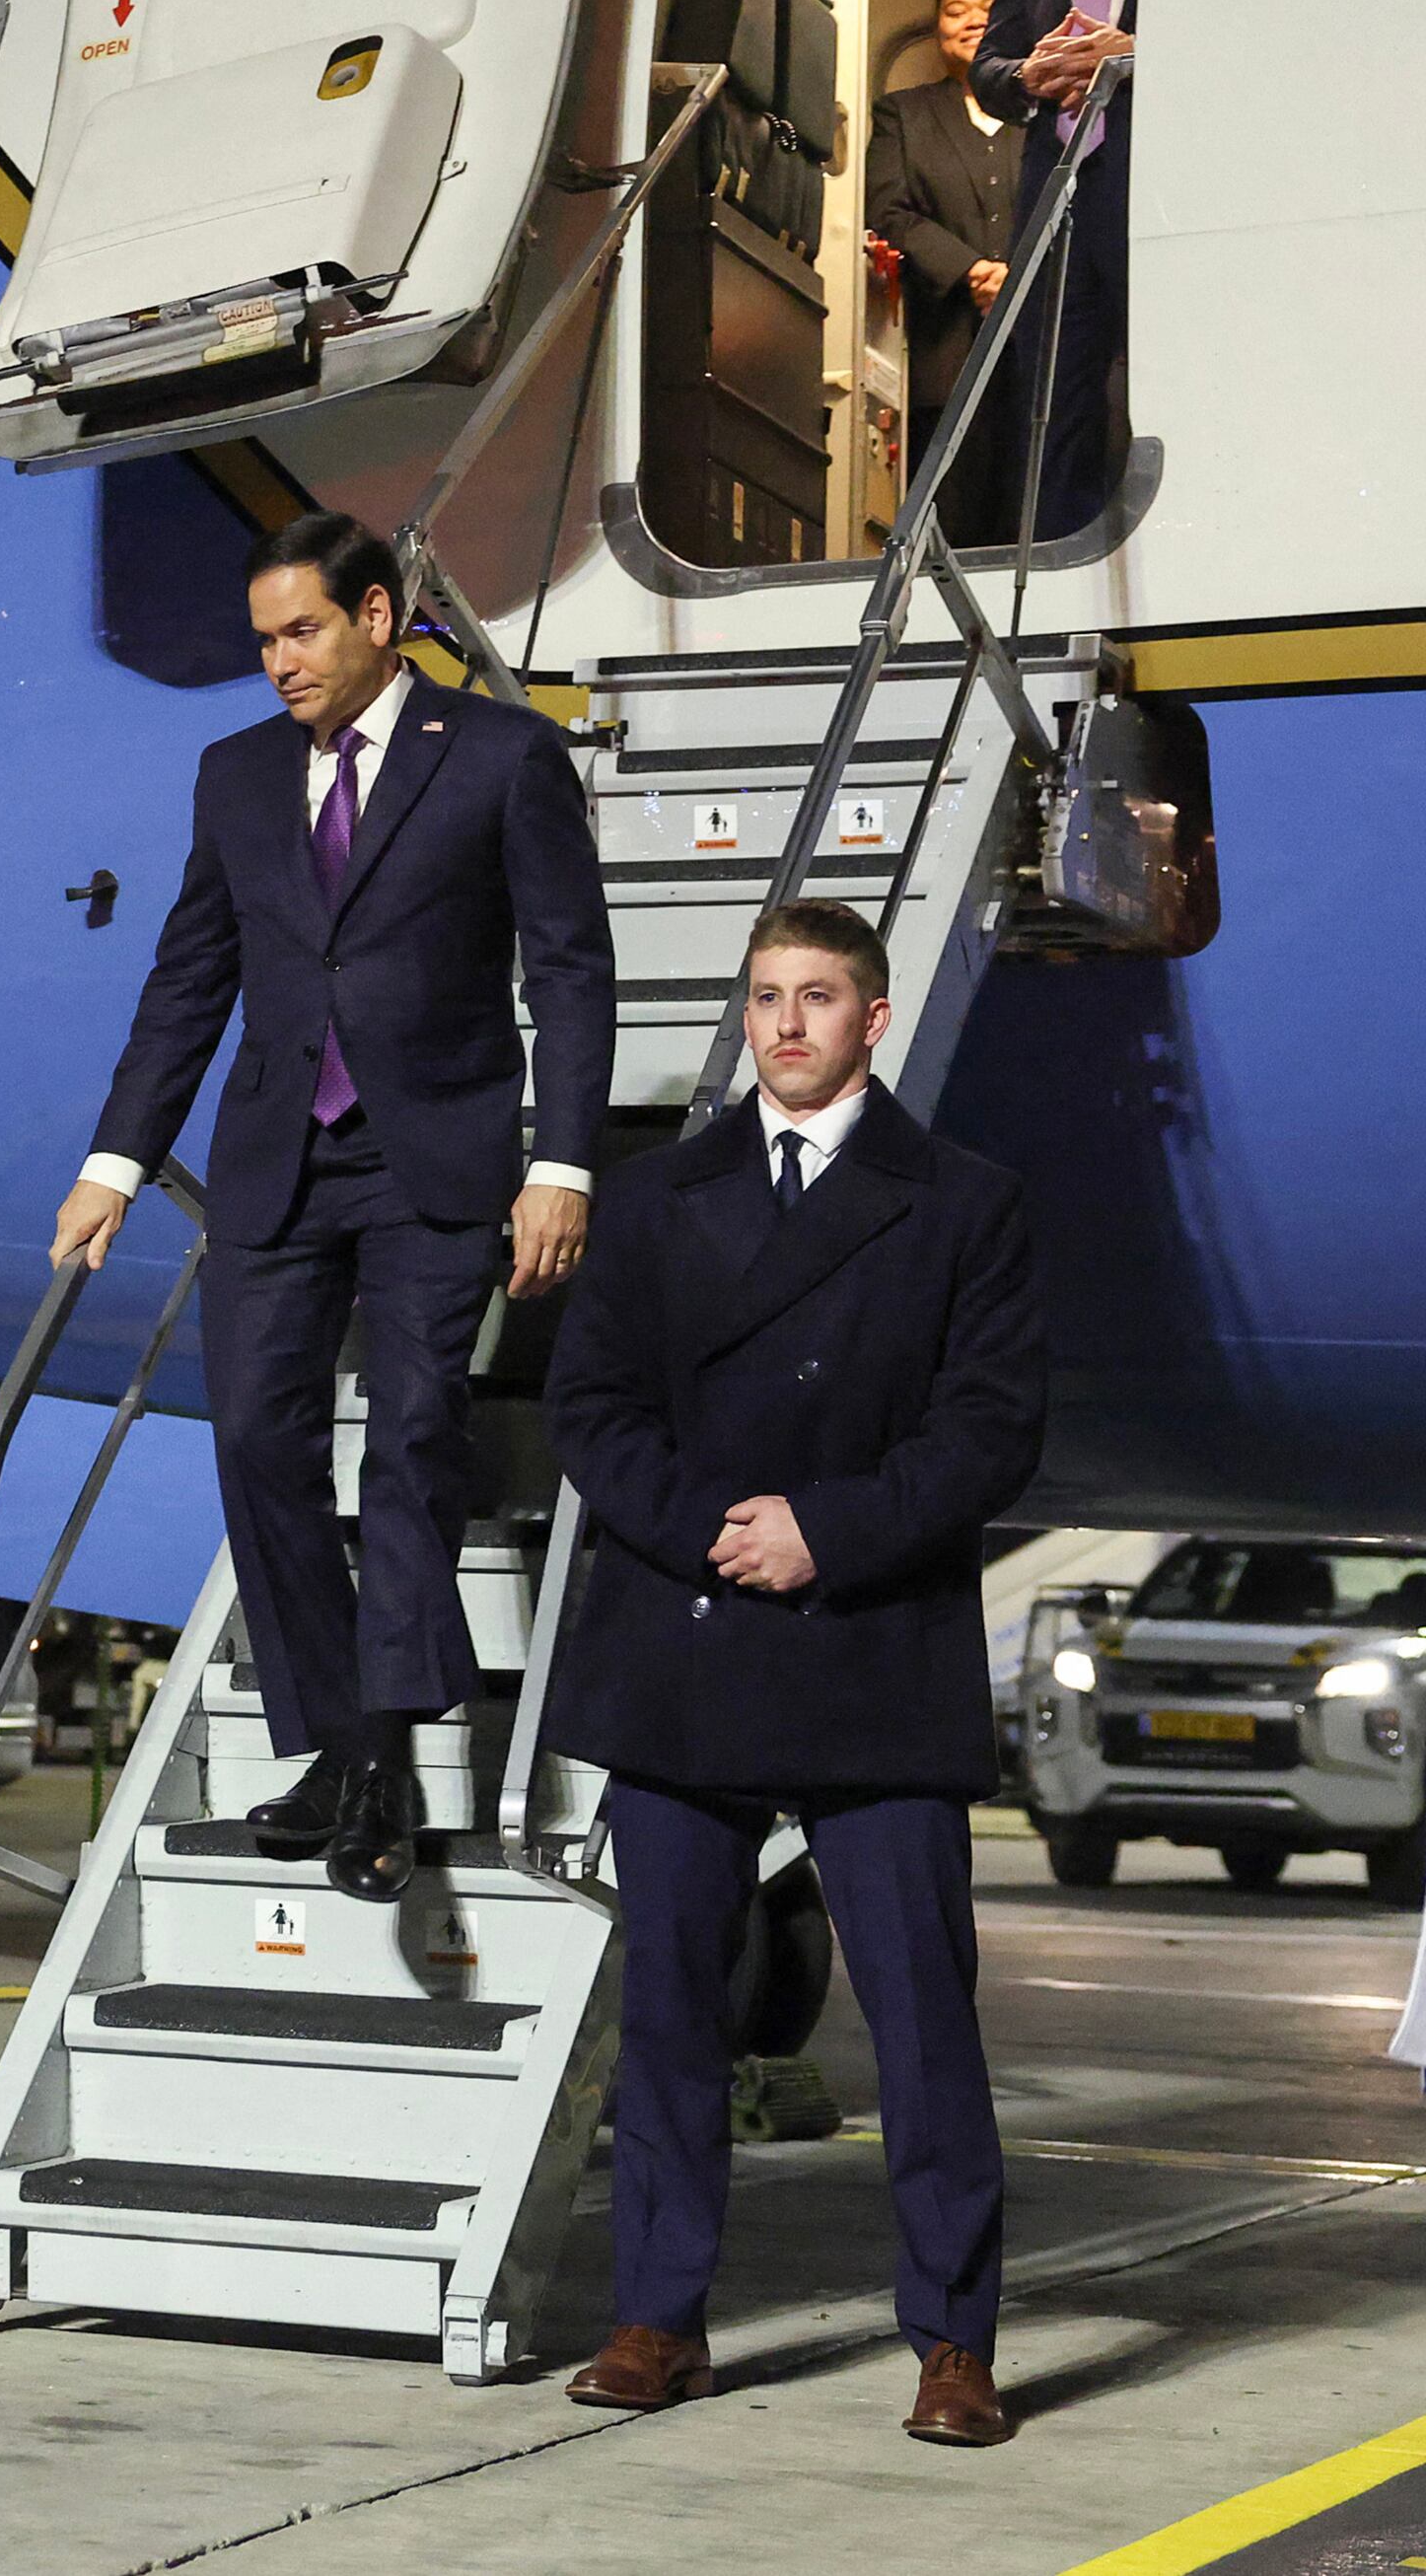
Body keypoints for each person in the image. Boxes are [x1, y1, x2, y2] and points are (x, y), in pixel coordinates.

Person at [538, 899, 1042, 2448]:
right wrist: (717, 1533)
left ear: (874, 1019)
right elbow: (594, 1409)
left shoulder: (964, 1202)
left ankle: (955, 2341)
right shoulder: (657, 1197)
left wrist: (826, 1531)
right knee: (674, 2015)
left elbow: (989, 1430)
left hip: (870, 1643)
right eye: (765, 998)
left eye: (817, 998)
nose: (786, 1024)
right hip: (691, 1643)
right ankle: (658, 2318)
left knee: (922, 2022)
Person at [57, 510, 612, 1905]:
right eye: (263, 641)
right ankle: (347, 1736)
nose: (279, 664)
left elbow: (569, 969)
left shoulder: (500, 755)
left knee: (417, 1439)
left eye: (301, 631)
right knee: (254, 1438)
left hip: (432, 1157)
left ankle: (386, 1763)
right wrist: (117, 1158)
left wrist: (563, 1162)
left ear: (379, 616)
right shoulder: (236, 776)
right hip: (277, 1159)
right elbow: (190, 979)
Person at [965, 0, 1161, 544]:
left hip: (1157, 191)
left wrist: (1139, 54)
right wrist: (1029, 78)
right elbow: (987, 68)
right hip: (1057, 194)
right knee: (1050, 399)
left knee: (1166, 380)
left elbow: (1248, 39)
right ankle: (1054, 569)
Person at [861, 0, 1021, 503]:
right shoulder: (903, 115)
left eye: (990, 9)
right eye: (957, 11)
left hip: (1043, 347)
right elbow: (887, 210)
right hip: (943, 356)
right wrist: (974, 271)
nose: (973, 21)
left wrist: (1022, 280)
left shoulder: (1051, 114)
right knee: (952, 510)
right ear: (937, 31)